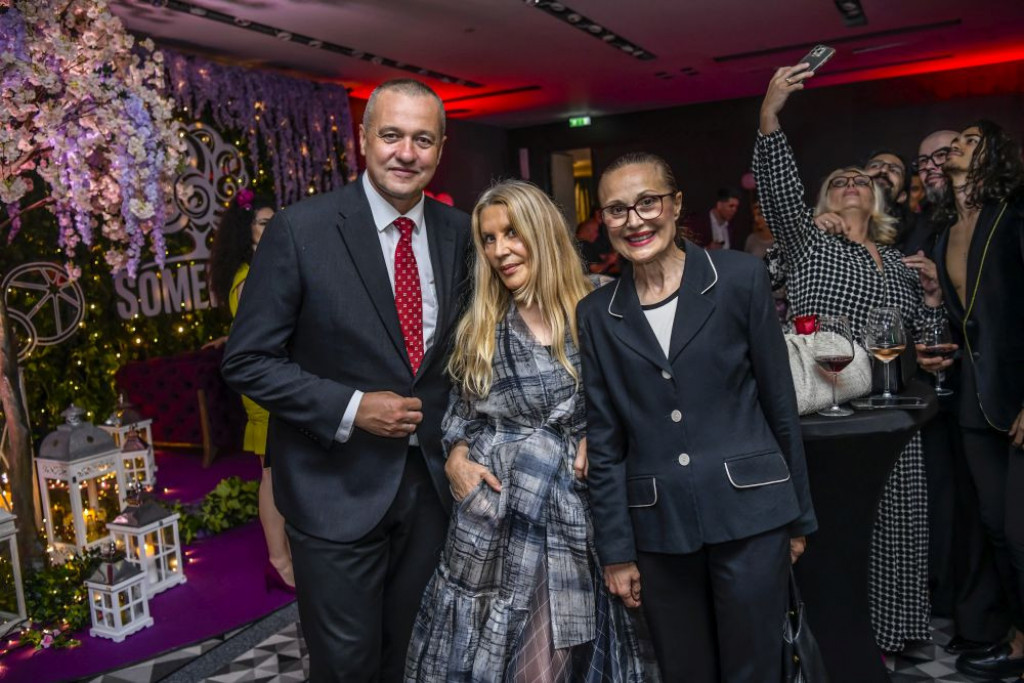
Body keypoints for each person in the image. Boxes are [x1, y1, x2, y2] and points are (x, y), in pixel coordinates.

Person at [221, 79, 472, 682]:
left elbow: (470, 354)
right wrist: (353, 406)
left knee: (415, 656)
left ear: (440, 149)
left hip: (432, 489)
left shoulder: (461, 232)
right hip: (332, 487)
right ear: (363, 139)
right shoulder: (300, 229)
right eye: (391, 135)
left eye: (422, 140)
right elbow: (247, 360)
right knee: (345, 667)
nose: (406, 153)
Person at [577, 151, 816, 681]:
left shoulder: (739, 278)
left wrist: (798, 516)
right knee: (684, 670)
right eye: (616, 210)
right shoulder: (597, 314)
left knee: (755, 669)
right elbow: (606, 439)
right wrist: (616, 551)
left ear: (676, 204)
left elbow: (779, 404)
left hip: (752, 517)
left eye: (648, 202)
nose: (635, 221)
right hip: (659, 528)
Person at [405, 180, 648, 682]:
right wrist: (457, 457)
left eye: (512, 233)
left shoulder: (603, 303)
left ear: (543, 232)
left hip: (587, 516)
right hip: (499, 523)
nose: (500, 250)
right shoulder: (482, 324)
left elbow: (647, 396)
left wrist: (605, 433)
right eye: (489, 239)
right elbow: (459, 414)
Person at [755, 63, 946, 654]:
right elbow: (780, 196)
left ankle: (891, 634)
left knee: (898, 521)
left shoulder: (901, 262)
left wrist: (932, 297)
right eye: (839, 180)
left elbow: (928, 343)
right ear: (825, 199)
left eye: (861, 179)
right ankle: (834, 645)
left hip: (891, 413)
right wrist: (770, 115)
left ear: (879, 198)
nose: (851, 183)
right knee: (838, 533)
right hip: (829, 414)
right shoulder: (811, 243)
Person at [923, 120, 1024, 679]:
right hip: (974, 402)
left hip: (1016, 395)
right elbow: (974, 319)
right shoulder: (945, 232)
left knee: (1020, 531)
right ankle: (1016, 635)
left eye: (970, 140)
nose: (957, 145)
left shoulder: (1013, 215)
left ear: (993, 156)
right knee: (995, 526)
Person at [207, 189, 294, 592]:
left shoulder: (261, 268)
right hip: (267, 387)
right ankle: (278, 561)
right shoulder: (248, 278)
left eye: (275, 220)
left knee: (283, 472)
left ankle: (288, 553)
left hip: (279, 380)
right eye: (264, 222)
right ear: (247, 230)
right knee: (272, 474)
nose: (272, 226)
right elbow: (264, 336)